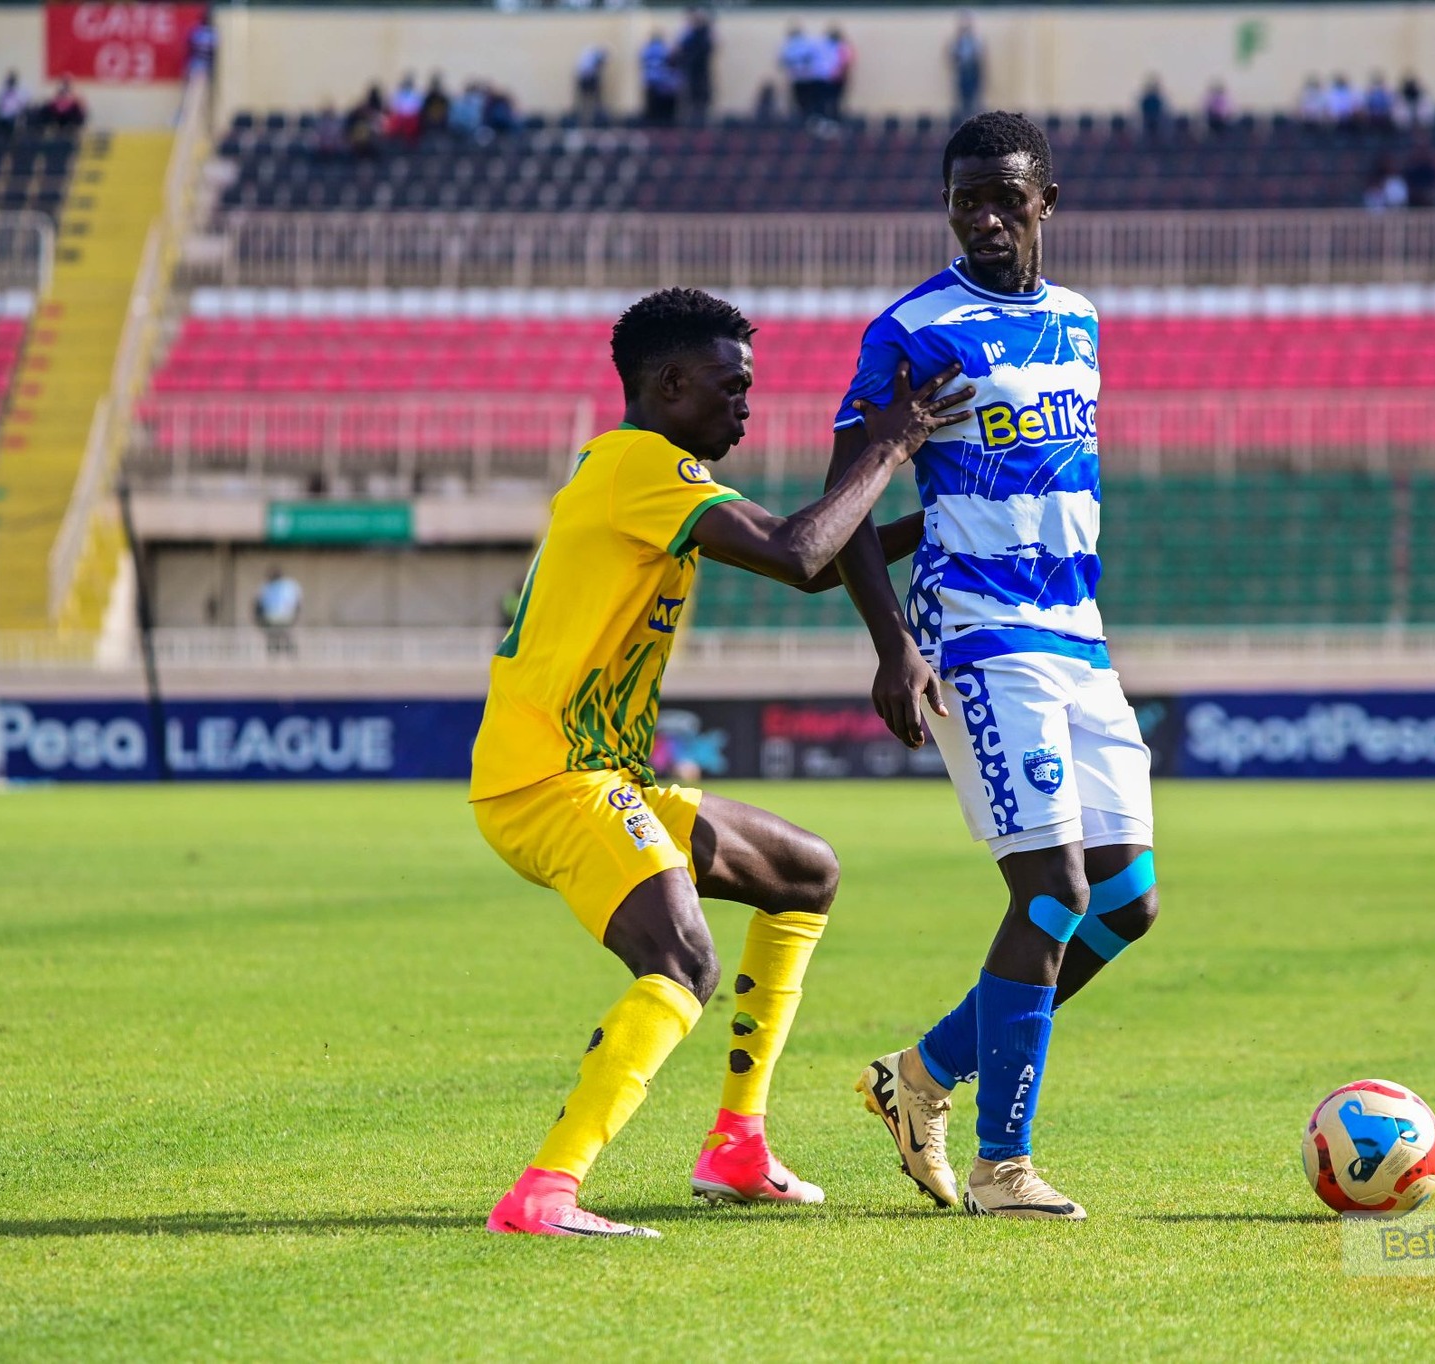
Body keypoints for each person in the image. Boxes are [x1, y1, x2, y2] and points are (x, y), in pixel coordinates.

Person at [474, 287, 973, 1238]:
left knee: (803, 873)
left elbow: (821, 559)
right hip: (549, 779)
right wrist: (892, 443)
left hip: (602, 775)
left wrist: (948, 535)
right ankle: (544, 1192)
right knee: (683, 959)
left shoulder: (647, 474)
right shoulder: (641, 465)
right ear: (668, 385)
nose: (746, 405)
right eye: (729, 387)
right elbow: (798, 551)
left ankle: (737, 1145)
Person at [827, 113, 1161, 1221]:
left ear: (1044, 202)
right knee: (1052, 888)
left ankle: (917, 1075)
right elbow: (850, 503)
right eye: (963, 197)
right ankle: (999, 1163)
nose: (981, 216)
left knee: (1125, 899)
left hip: (1078, 631)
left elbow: (989, 483)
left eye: (1002, 198)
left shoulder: (1079, 321)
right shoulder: (911, 330)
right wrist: (894, 644)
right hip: (979, 634)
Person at [676, 10, 717, 125]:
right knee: (692, 103)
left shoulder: (704, 35)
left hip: (700, 74)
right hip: (693, 74)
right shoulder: (690, 35)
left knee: (700, 104)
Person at [254, 567, 302, 657]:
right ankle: (287, 654)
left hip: (275, 619)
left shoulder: (266, 587)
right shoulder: (290, 585)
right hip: (282, 619)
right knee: (282, 637)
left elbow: (257, 605)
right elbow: (298, 604)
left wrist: (258, 619)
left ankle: (278, 654)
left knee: (277, 638)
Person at [949, 14, 984, 124]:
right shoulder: (958, 42)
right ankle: (964, 117)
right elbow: (954, 55)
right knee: (963, 96)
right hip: (963, 71)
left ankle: (973, 117)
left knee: (973, 96)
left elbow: (978, 56)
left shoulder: (975, 40)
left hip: (971, 71)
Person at [641, 30, 680, 126]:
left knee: (652, 110)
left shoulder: (646, 49)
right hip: (663, 83)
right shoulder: (664, 49)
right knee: (666, 112)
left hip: (651, 81)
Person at [824, 26, 855, 121]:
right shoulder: (826, 47)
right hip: (827, 79)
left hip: (838, 79)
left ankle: (835, 118)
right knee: (827, 100)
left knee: (836, 100)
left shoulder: (843, 48)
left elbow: (847, 63)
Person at [575, 45, 608, 123]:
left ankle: (596, 117)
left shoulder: (590, 56)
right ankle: (584, 119)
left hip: (589, 79)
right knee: (585, 101)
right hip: (586, 80)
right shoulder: (589, 59)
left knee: (596, 101)